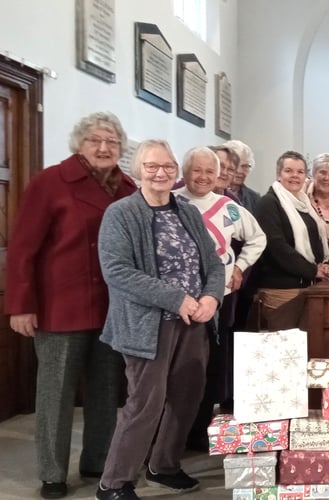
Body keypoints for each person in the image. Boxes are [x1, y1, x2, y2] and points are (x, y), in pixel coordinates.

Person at [4, 111, 137, 499]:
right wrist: (20, 305)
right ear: (79, 144)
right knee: (55, 394)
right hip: (60, 308)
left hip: (113, 309)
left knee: (105, 392)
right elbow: (23, 249)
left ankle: (98, 462)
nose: (103, 147)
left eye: (111, 141)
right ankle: (51, 472)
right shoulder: (51, 182)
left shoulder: (128, 187)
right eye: (95, 139)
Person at [95, 140, 224, 500]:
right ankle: (115, 483)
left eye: (167, 166)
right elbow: (117, 271)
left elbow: (213, 264)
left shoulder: (186, 211)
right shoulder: (121, 214)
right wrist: (175, 297)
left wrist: (212, 296)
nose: (161, 173)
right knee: (145, 404)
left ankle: (163, 465)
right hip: (147, 325)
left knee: (187, 397)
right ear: (137, 172)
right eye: (152, 166)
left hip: (193, 322)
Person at [173, 146, 266, 449]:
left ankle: (199, 430)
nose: (203, 177)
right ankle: (169, 438)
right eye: (196, 170)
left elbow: (258, 238)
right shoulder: (172, 201)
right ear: (185, 173)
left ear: (218, 175)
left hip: (217, 299)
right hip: (177, 299)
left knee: (208, 367)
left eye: (209, 171)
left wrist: (239, 266)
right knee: (174, 368)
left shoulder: (228, 207)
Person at [254, 151, 329, 330]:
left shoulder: (304, 204)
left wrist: (325, 264)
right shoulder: (268, 203)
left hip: (306, 285)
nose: (295, 176)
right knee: (285, 349)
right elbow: (277, 247)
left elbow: (319, 239)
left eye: (300, 172)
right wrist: (313, 270)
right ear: (278, 174)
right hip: (281, 289)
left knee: (306, 345)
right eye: (289, 171)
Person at [224, 139, 261, 215]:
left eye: (245, 166)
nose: (240, 171)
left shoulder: (254, 198)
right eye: (236, 165)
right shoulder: (214, 193)